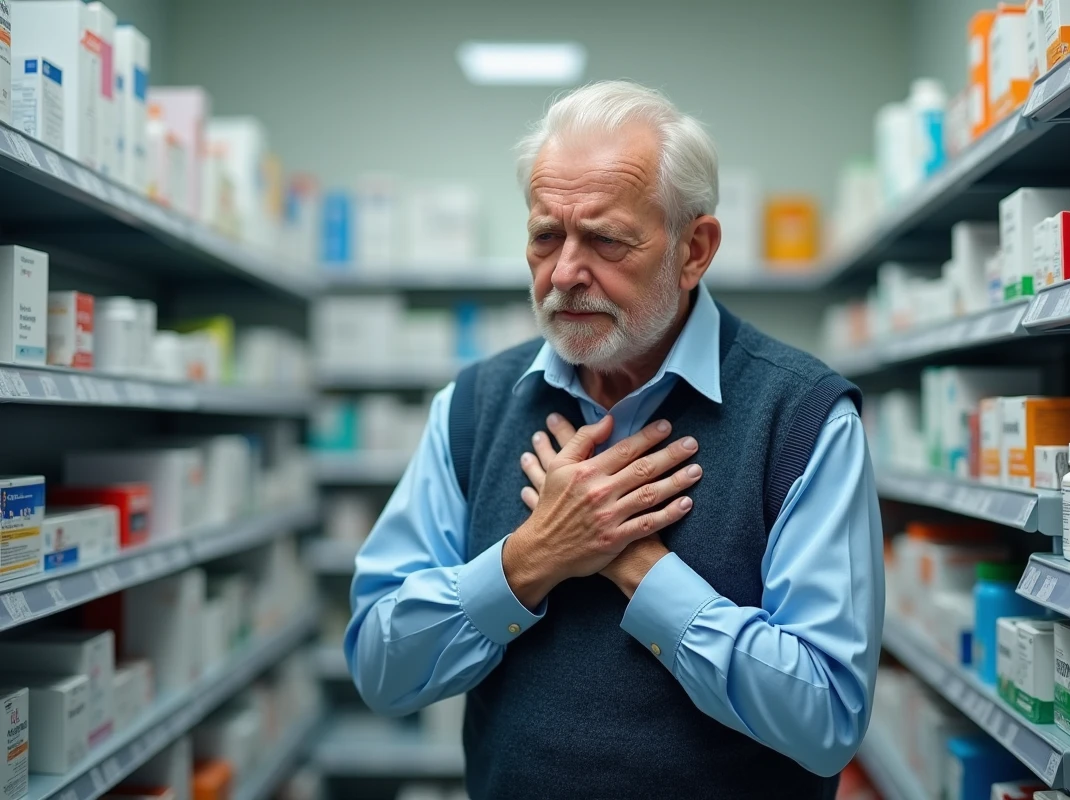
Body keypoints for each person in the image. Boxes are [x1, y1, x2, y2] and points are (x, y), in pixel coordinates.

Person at [345, 80, 884, 800]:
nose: (565, 273)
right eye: (545, 236)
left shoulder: (803, 419)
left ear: (694, 249)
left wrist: (638, 568)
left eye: (604, 239)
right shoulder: (473, 407)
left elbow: (826, 719)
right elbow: (383, 670)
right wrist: (531, 559)